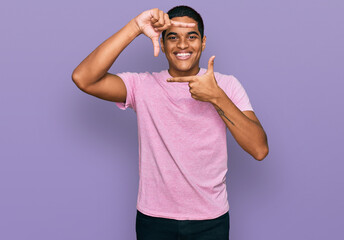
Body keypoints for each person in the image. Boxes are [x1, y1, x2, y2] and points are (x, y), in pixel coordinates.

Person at [72, 5, 268, 240]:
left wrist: (216, 97)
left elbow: (259, 149)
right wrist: (136, 26)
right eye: (173, 37)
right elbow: (83, 78)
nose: (183, 45)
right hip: (154, 220)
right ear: (162, 44)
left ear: (203, 43)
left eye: (191, 37)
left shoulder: (226, 86)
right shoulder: (142, 86)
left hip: (211, 220)